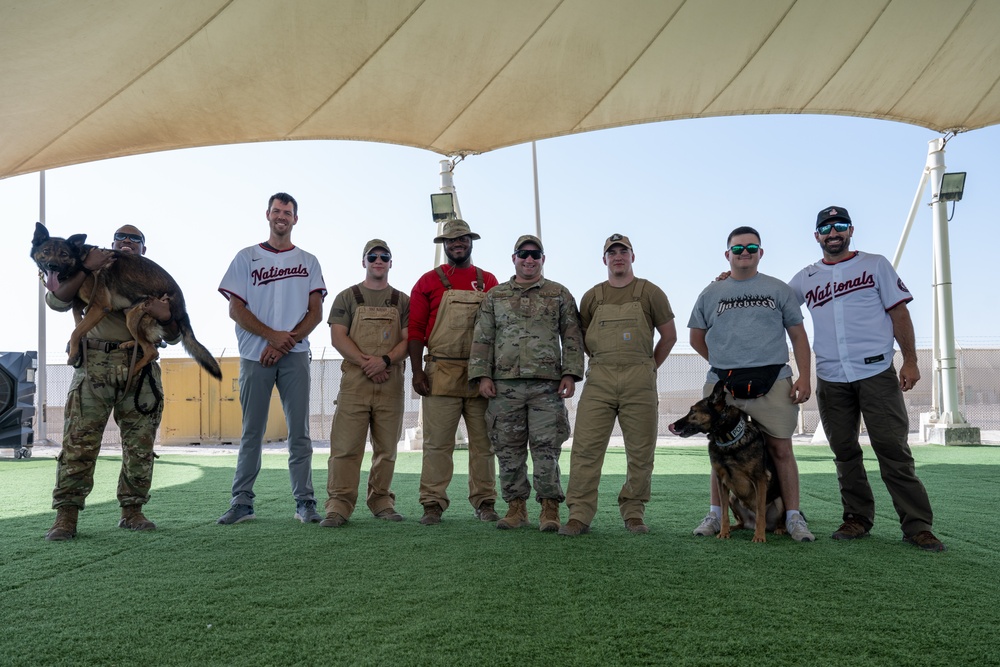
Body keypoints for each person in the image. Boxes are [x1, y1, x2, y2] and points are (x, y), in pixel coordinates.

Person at [788, 206, 945, 551]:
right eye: (826, 228)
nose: (833, 233)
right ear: (817, 235)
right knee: (844, 452)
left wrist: (911, 361)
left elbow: (899, 312)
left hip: (876, 372)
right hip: (831, 376)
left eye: (840, 226)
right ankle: (857, 518)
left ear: (851, 230)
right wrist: (732, 278)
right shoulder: (805, 277)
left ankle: (917, 526)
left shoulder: (875, 265)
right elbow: (778, 304)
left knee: (892, 450)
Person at [44, 225, 179, 541]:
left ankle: (132, 512)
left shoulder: (152, 279)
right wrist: (87, 268)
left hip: (139, 370)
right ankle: (66, 517)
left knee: (140, 446)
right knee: (78, 442)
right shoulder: (88, 271)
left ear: (144, 250)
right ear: (112, 245)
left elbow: (173, 334)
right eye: (121, 238)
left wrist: (165, 314)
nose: (128, 243)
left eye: (135, 240)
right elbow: (56, 301)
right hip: (95, 366)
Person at [687, 226, 814, 542]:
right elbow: (696, 338)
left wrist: (804, 376)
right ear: (727, 254)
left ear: (761, 252)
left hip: (773, 381)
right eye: (738, 248)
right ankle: (716, 516)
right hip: (723, 385)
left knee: (781, 449)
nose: (745, 253)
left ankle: (793, 517)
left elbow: (798, 335)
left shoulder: (778, 289)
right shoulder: (711, 292)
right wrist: (725, 363)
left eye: (751, 248)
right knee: (720, 449)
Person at [216, 192, 327, 525]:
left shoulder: (308, 260)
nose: (282, 216)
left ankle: (304, 502)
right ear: (267, 215)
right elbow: (235, 309)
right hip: (254, 355)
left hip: (293, 355)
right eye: (277, 211)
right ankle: (242, 502)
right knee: (252, 431)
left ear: (295, 219)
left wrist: (282, 342)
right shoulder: (247, 257)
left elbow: (316, 312)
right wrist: (272, 336)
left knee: (300, 432)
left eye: (288, 212)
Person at [559, 234, 677, 536]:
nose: (618, 256)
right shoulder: (592, 297)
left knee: (641, 451)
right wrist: (603, 361)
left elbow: (669, 336)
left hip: (640, 378)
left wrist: (649, 367)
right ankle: (579, 515)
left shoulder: (650, 293)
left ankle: (634, 512)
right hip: (600, 378)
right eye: (612, 253)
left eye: (623, 251)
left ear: (632, 257)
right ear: (604, 260)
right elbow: (583, 339)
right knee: (585, 448)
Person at [468, 235, 584, 531]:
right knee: (508, 450)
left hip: (547, 387)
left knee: (547, 450)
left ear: (542, 259)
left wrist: (570, 373)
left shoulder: (559, 294)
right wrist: (482, 375)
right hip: (505, 386)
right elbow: (483, 337)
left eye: (535, 254)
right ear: (514, 258)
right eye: (523, 254)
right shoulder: (496, 296)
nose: (529, 259)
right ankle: (516, 508)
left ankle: (550, 509)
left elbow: (571, 336)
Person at [409, 218, 499, 525]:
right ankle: (432, 503)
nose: (457, 244)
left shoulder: (489, 281)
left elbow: (499, 330)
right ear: (444, 245)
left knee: (484, 444)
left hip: (480, 374)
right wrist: (417, 371)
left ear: (471, 242)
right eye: (451, 240)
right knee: (437, 445)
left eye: (462, 239)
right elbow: (416, 331)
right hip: (440, 371)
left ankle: (485, 501)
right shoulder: (427, 282)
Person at [321, 239, 410, 527]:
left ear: (391, 263)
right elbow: (338, 337)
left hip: (390, 383)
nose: (378, 260)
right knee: (345, 448)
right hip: (355, 385)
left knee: (387, 449)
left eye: (384, 256)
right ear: (364, 262)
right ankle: (338, 505)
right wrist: (368, 363)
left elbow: (409, 339)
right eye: (372, 256)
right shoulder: (347, 297)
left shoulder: (403, 301)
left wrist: (384, 361)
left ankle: (381, 500)